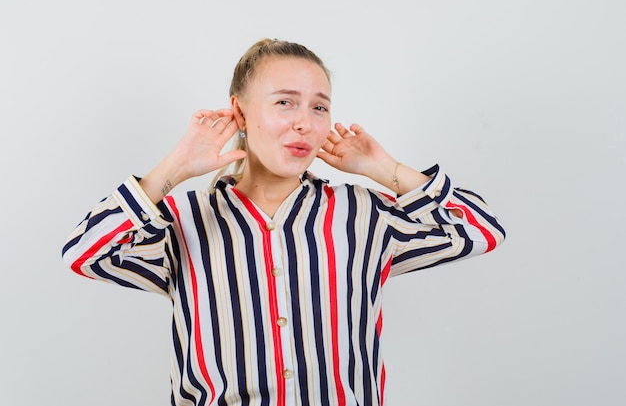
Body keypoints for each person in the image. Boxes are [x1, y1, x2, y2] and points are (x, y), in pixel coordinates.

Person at [62, 38, 505, 406]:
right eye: (284, 103)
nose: (304, 124)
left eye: (318, 107)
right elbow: (85, 254)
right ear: (240, 112)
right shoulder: (181, 221)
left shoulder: (364, 215)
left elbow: (480, 230)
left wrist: (385, 169)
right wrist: (173, 169)